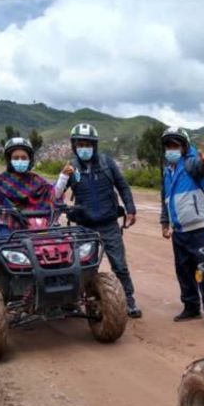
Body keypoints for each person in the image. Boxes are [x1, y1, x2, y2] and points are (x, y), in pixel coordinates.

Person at [58, 123, 142, 318]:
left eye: (88, 144)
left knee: (119, 265)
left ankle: (128, 300)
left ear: (94, 145)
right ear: (74, 145)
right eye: (80, 144)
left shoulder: (107, 163)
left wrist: (130, 209)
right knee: (81, 266)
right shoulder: (71, 168)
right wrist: (63, 177)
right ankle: (75, 300)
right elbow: (56, 194)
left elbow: (123, 186)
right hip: (84, 227)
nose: (84, 148)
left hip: (109, 224)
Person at [159, 127, 204, 330]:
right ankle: (191, 307)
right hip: (179, 231)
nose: (171, 149)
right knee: (184, 271)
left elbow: (203, 168)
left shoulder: (190, 163)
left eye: (175, 145)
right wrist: (165, 223)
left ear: (184, 147)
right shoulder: (167, 170)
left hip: (198, 229)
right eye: (168, 146)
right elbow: (165, 199)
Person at [0, 136, 66, 235]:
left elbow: (54, 194)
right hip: (7, 227)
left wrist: (63, 177)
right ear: (9, 160)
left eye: (24, 158)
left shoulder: (36, 180)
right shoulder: (1, 181)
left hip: (34, 227)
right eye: (16, 158)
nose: (20, 160)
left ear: (29, 159)